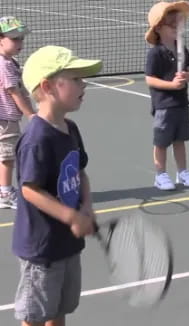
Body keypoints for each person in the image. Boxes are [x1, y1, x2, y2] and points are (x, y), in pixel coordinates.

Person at [13, 45, 101, 325]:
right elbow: (29, 189)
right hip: (42, 249)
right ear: (48, 86)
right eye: (75, 79)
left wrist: (86, 207)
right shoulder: (37, 139)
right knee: (36, 315)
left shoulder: (71, 129)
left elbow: (80, 171)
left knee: (58, 310)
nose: (83, 83)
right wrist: (70, 216)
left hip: (68, 245)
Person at [145, 1, 189, 191]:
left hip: (181, 104)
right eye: (173, 25)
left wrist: (187, 76)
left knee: (180, 140)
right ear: (159, 28)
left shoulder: (182, 48)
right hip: (163, 106)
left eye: (179, 25)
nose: (177, 28)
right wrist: (171, 85)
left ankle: (182, 172)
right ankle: (160, 175)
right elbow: (150, 79)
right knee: (161, 143)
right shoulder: (155, 54)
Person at [0, 16, 35, 209]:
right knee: (7, 157)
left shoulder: (7, 61)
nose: (20, 42)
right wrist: (31, 114)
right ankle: (5, 193)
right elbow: (14, 93)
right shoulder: (5, 65)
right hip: (6, 120)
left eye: (21, 38)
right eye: (14, 38)